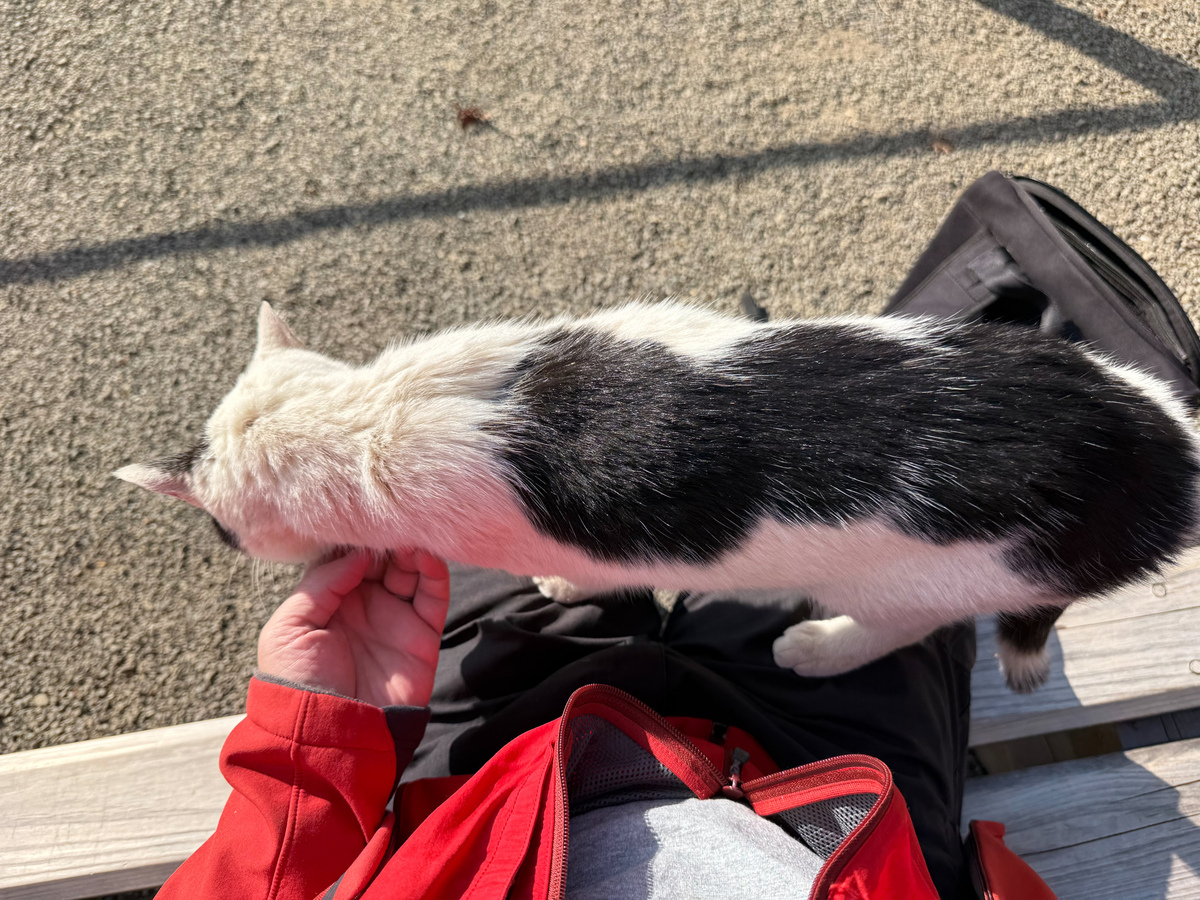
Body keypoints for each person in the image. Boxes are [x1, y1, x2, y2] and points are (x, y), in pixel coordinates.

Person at [154, 174, 1200, 899]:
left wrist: (310, 742)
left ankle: (1058, 487)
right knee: (875, 548)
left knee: (538, 554)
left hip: (482, 797)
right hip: (830, 810)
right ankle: (1048, 424)